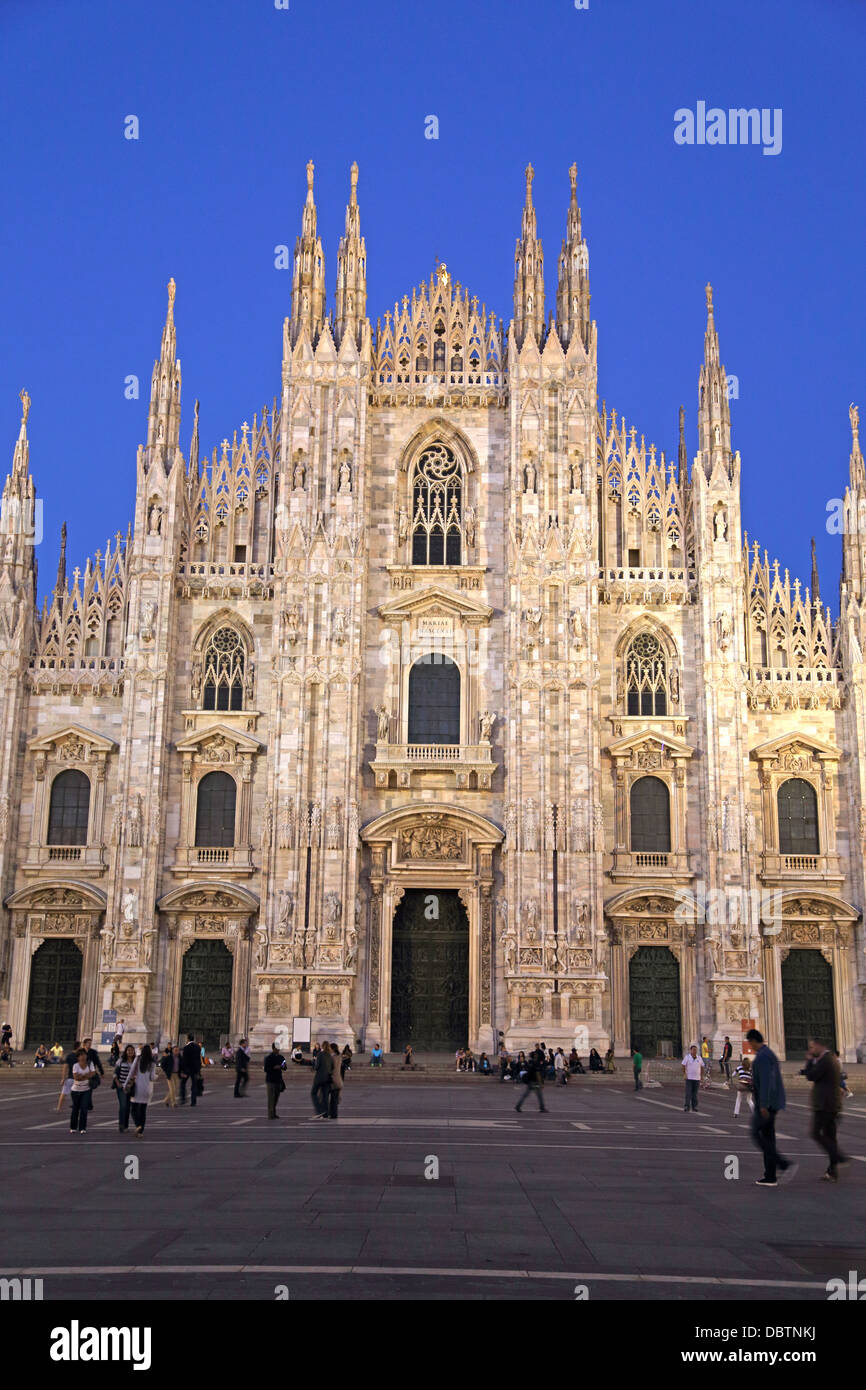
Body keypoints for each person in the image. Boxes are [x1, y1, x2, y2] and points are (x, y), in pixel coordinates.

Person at [747, 1028, 795, 1187]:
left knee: (756, 1133)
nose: (750, 1046)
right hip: (771, 1102)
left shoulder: (763, 1057)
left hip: (767, 1104)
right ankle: (770, 1176)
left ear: (754, 1041)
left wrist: (764, 1105)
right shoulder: (769, 1054)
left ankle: (783, 1164)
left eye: (750, 1042)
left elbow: (767, 1082)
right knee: (768, 1137)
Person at [804, 1038, 848, 1182]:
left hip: (826, 1105)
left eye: (812, 1047)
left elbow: (811, 1076)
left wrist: (809, 1060)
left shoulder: (826, 1061)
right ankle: (832, 1171)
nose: (810, 1050)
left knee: (816, 1133)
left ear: (819, 1045)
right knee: (830, 1136)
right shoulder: (830, 1059)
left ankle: (838, 1157)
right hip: (831, 1104)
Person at [128, 1044, 162, 1136]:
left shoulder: (138, 1059)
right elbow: (152, 1077)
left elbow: (131, 1073)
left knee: (133, 1108)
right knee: (143, 1110)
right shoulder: (152, 1063)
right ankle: (140, 1131)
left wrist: (125, 1084)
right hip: (147, 1089)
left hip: (137, 1088)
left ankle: (137, 1124)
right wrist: (157, 1076)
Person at [69, 1048, 95, 1134]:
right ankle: (73, 1127)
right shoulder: (75, 1065)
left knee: (84, 1109)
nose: (83, 1057)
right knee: (75, 1109)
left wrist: (82, 1076)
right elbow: (76, 1077)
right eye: (81, 1055)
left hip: (86, 1089)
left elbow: (92, 1074)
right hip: (75, 1090)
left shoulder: (90, 1064)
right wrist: (86, 1076)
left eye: (84, 1055)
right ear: (78, 1057)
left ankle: (82, 1127)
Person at [514, 1048, 546, 1113]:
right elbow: (537, 1074)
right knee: (539, 1095)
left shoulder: (530, 1062)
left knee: (525, 1095)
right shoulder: (536, 1063)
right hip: (535, 1081)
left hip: (530, 1081)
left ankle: (518, 1106)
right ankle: (542, 1108)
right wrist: (541, 1083)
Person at [113, 1044, 137, 1131]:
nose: (130, 1052)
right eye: (128, 1050)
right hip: (121, 1086)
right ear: (126, 1051)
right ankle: (121, 1125)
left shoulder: (136, 1062)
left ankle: (126, 1126)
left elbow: (136, 1075)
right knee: (123, 1105)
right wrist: (118, 1083)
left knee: (128, 1107)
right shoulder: (120, 1061)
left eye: (132, 1050)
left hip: (131, 1087)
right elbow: (115, 1073)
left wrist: (131, 1084)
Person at [310, 1040, 333, 1119]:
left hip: (319, 1078)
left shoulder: (320, 1054)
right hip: (327, 1078)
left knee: (313, 1093)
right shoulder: (330, 1055)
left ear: (322, 1046)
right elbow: (332, 1067)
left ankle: (320, 1110)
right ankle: (326, 1113)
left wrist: (313, 1065)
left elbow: (317, 1066)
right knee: (325, 1096)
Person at [264, 1042, 286, 1119]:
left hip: (278, 1079)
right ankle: (270, 1114)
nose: (278, 1050)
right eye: (277, 1048)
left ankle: (273, 1112)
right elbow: (266, 1069)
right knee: (271, 1098)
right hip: (270, 1080)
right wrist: (274, 1067)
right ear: (273, 1048)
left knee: (276, 1097)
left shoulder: (281, 1057)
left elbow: (284, 1066)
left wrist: (282, 1066)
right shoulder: (268, 1058)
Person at [81, 1037, 104, 1110]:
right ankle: (84, 1104)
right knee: (81, 1088)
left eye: (91, 1043)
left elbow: (98, 1062)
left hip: (90, 1073)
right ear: (84, 1044)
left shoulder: (93, 1052)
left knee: (89, 1089)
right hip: (82, 1072)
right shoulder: (80, 1052)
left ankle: (88, 1105)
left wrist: (101, 1071)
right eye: (88, 1043)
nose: (90, 1045)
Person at [180, 1033, 202, 1106]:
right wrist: (199, 1070)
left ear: (188, 1039)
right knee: (194, 1085)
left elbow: (184, 1060)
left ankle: (183, 1098)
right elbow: (198, 1059)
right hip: (195, 1069)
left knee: (183, 1083)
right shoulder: (197, 1047)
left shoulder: (186, 1047)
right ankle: (193, 1101)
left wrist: (183, 1070)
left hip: (187, 1069)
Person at [681, 1044, 704, 1112]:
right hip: (689, 1078)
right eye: (693, 1050)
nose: (695, 1051)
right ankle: (687, 1106)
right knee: (688, 1093)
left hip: (697, 1078)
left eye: (696, 1050)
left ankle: (694, 1107)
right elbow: (683, 1065)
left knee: (695, 1094)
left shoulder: (699, 1058)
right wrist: (684, 1074)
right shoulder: (687, 1057)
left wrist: (702, 1076)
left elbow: (702, 1067)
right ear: (690, 1050)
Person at [328, 1042, 344, 1119]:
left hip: (332, 1080)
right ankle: (333, 1114)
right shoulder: (339, 1056)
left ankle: (331, 1114)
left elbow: (330, 1068)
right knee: (334, 1098)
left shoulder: (332, 1057)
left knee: (331, 1099)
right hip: (338, 1079)